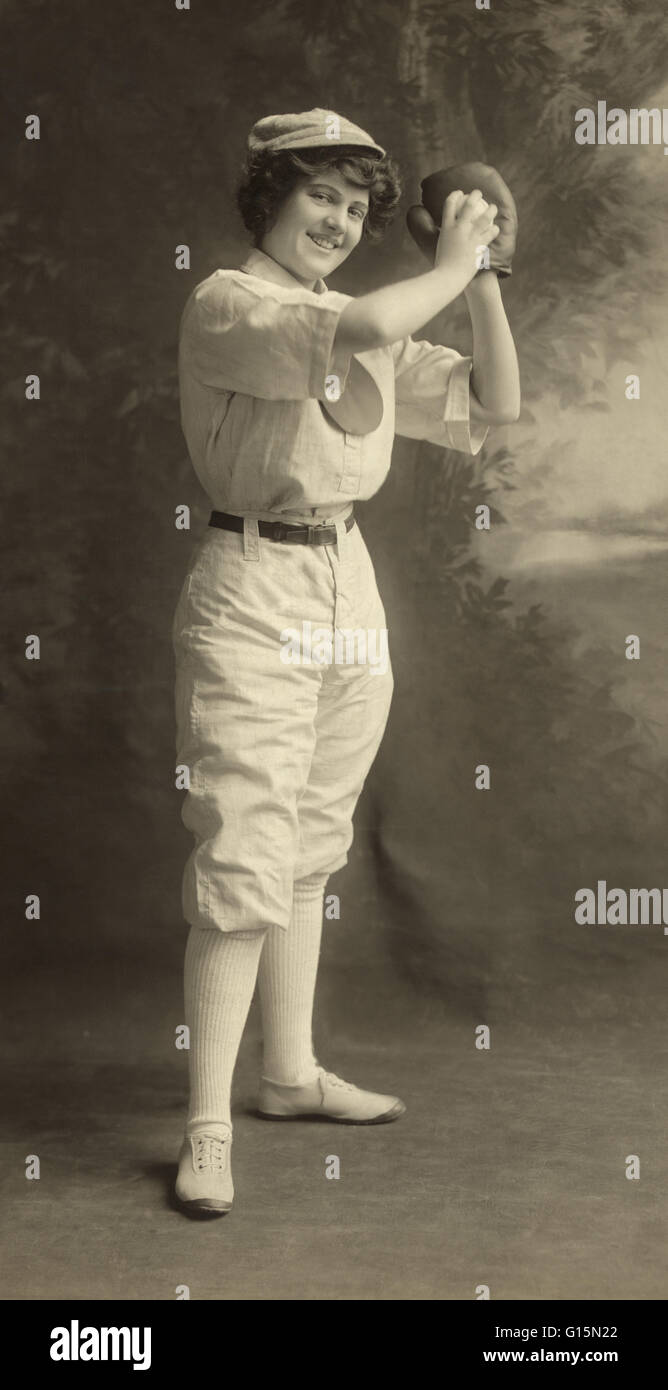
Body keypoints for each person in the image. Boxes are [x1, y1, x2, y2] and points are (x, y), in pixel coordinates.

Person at [173, 107, 520, 1215]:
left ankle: (285, 1075)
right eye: (319, 193)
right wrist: (452, 258)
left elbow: (492, 403)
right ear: (268, 193)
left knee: (311, 841)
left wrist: (483, 275)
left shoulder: (350, 314)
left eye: (358, 207)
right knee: (241, 851)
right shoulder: (231, 303)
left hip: (344, 582)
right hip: (252, 585)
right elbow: (367, 330)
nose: (339, 219)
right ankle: (207, 1123)